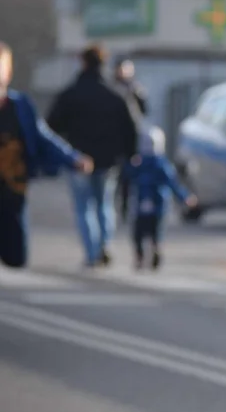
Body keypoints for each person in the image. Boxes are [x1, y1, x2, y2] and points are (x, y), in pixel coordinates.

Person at [0, 42, 92, 268]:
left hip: (12, 191)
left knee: (16, 258)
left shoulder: (20, 106)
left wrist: (73, 158)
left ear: (8, 72)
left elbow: (43, 137)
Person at [47, 43, 138, 268]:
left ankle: (91, 253)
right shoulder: (116, 95)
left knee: (83, 207)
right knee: (104, 204)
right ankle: (104, 245)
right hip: (109, 160)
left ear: (83, 62)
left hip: (78, 160)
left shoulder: (71, 94)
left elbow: (51, 126)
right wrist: (130, 154)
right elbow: (131, 127)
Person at [123, 126, 197, 270]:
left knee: (142, 233)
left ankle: (144, 255)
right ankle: (147, 252)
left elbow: (172, 183)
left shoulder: (146, 164)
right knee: (151, 233)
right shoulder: (159, 164)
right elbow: (173, 183)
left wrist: (184, 197)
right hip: (155, 205)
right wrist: (185, 197)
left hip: (147, 205)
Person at [113, 56, 148, 226]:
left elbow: (144, 110)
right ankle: (116, 207)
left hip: (130, 141)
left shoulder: (134, 89)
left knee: (128, 179)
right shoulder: (112, 88)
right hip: (114, 141)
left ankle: (127, 209)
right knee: (115, 179)